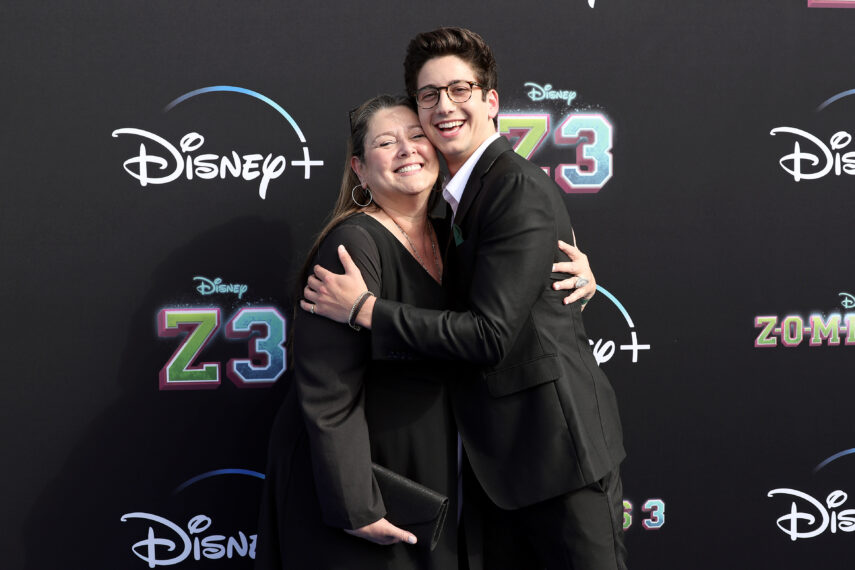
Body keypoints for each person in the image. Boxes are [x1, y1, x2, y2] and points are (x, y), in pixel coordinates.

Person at [302, 27, 626, 570]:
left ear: (491, 101)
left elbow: (491, 335)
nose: (444, 107)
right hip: (497, 474)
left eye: (460, 90)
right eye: (429, 95)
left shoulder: (512, 187)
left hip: (557, 458)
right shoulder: (447, 205)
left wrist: (365, 310)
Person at [255, 94, 460, 569]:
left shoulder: (452, 237)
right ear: (360, 170)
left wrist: (581, 279)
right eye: (386, 142)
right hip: (361, 474)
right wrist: (354, 504)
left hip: (426, 469)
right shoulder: (354, 242)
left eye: (417, 136)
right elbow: (328, 387)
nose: (407, 149)